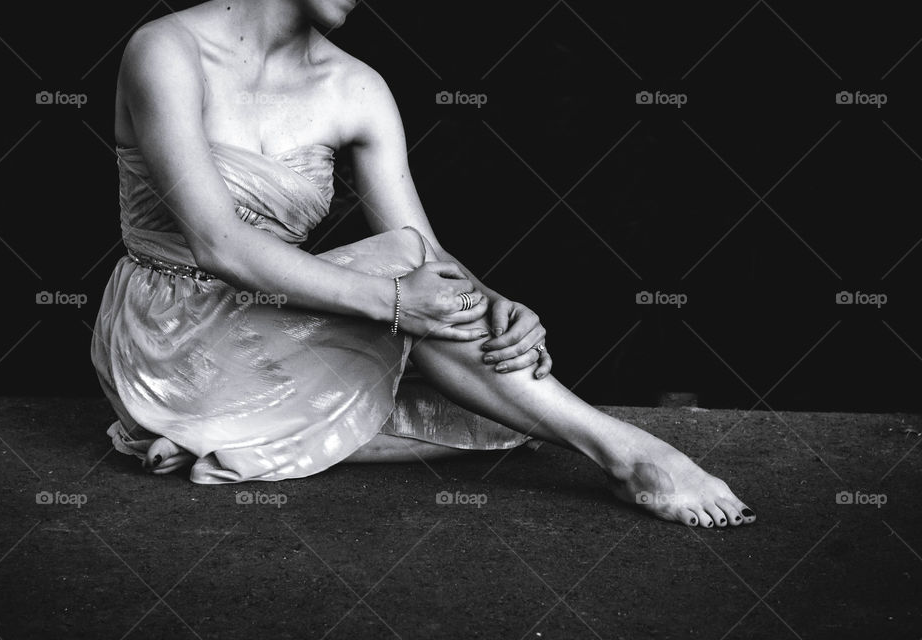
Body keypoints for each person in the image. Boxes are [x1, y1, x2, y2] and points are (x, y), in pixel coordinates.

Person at [91, 0, 756, 528]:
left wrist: (491, 302)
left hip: (274, 327)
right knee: (461, 349)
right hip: (168, 336)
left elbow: (424, 253)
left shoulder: (356, 88)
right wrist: (400, 302)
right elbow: (219, 244)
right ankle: (632, 454)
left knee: (501, 417)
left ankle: (225, 436)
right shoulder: (166, 50)